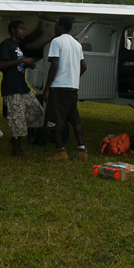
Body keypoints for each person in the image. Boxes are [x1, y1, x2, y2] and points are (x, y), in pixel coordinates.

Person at [43, 16, 88, 162]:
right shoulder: (77, 44)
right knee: (74, 118)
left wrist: (47, 87)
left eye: (56, 25)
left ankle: (60, 151)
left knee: (53, 119)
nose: (54, 28)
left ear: (61, 26)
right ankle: (82, 150)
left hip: (59, 87)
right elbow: (84, 66)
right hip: (72, 87)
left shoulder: (56, 41)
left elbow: (54, 65)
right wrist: (73, 77)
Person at [0, 20, 40, 157]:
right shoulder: (6, 44)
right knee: (17, 119)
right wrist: (22, 60)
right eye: (21, 28)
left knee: (36, 110)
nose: (24, 31)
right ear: (13, 30)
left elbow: (16, 67)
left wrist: (27, 64)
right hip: (12, 87)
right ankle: (16, 150)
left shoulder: (18, 46)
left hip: (22, 86)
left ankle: (16, 142)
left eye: (24, 29)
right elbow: (2, 65)